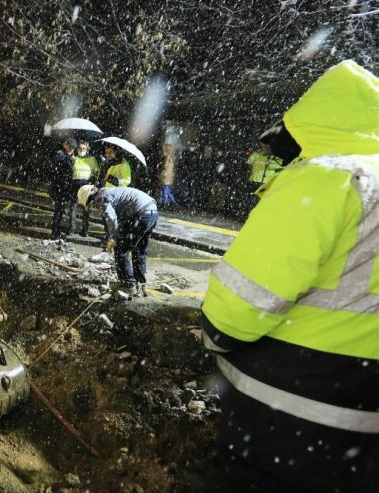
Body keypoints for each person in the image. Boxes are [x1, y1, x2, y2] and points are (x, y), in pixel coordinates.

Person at [201, 60, 379, 492]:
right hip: (363, 420)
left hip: (290, 419)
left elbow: (232, 313)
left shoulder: (330, 177)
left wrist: (212, 338)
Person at [77, 184, 158, 296]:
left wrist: (113, 239)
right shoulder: (110, 193)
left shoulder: (101, 198)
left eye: (89, 205)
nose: (92, 207)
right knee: (139, 250)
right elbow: (121, 216)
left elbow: (111, 219)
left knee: (121, 250)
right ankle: (140, 283)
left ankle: (128, 285)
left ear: (90, 197)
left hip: (141, 214)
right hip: (151, 212)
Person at [49, 137, 77, 240]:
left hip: (65, 188)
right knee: (59, 210)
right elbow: (59, 170)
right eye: (65, 144)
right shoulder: (61, 154)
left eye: (67, 144)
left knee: (60, 211)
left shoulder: (72, 156)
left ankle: (57, 231)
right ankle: (55, 233)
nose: (64, 145)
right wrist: (70, 162)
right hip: (59, 187)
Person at [69, 141, 99, 236]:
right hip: (74, 184)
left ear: (87, 149)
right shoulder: (73, 158)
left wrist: (94, 184)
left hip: (87, 185)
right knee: (73, 207)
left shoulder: (92, 159)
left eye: (84, 149)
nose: (82, 150)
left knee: (86, 209)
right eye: (80, 148)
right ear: (77, 149)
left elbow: (96, 172)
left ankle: (85, 230)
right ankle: (72, 228)